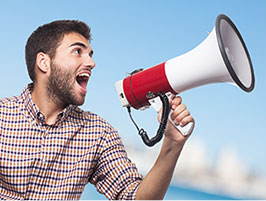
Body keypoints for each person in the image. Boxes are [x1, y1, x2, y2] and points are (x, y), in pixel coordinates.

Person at [0, 20, 194, 200]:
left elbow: (134, 197)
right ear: (44, 62)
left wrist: (172, 144)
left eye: (91, 55)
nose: (91, 63)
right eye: (77, 51)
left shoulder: (99, 133)